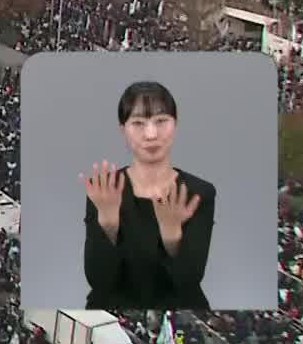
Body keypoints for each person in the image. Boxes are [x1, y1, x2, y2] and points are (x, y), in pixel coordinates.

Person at [81, 80, 217, 309]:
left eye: (161, 121)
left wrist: (172, 236)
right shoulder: (105, 190)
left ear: (176, 124)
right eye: (138, 123)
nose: (151, 134)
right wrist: (108, 224)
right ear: (122, 129)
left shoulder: (197, 193)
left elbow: (189, 281)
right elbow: (99, 281)